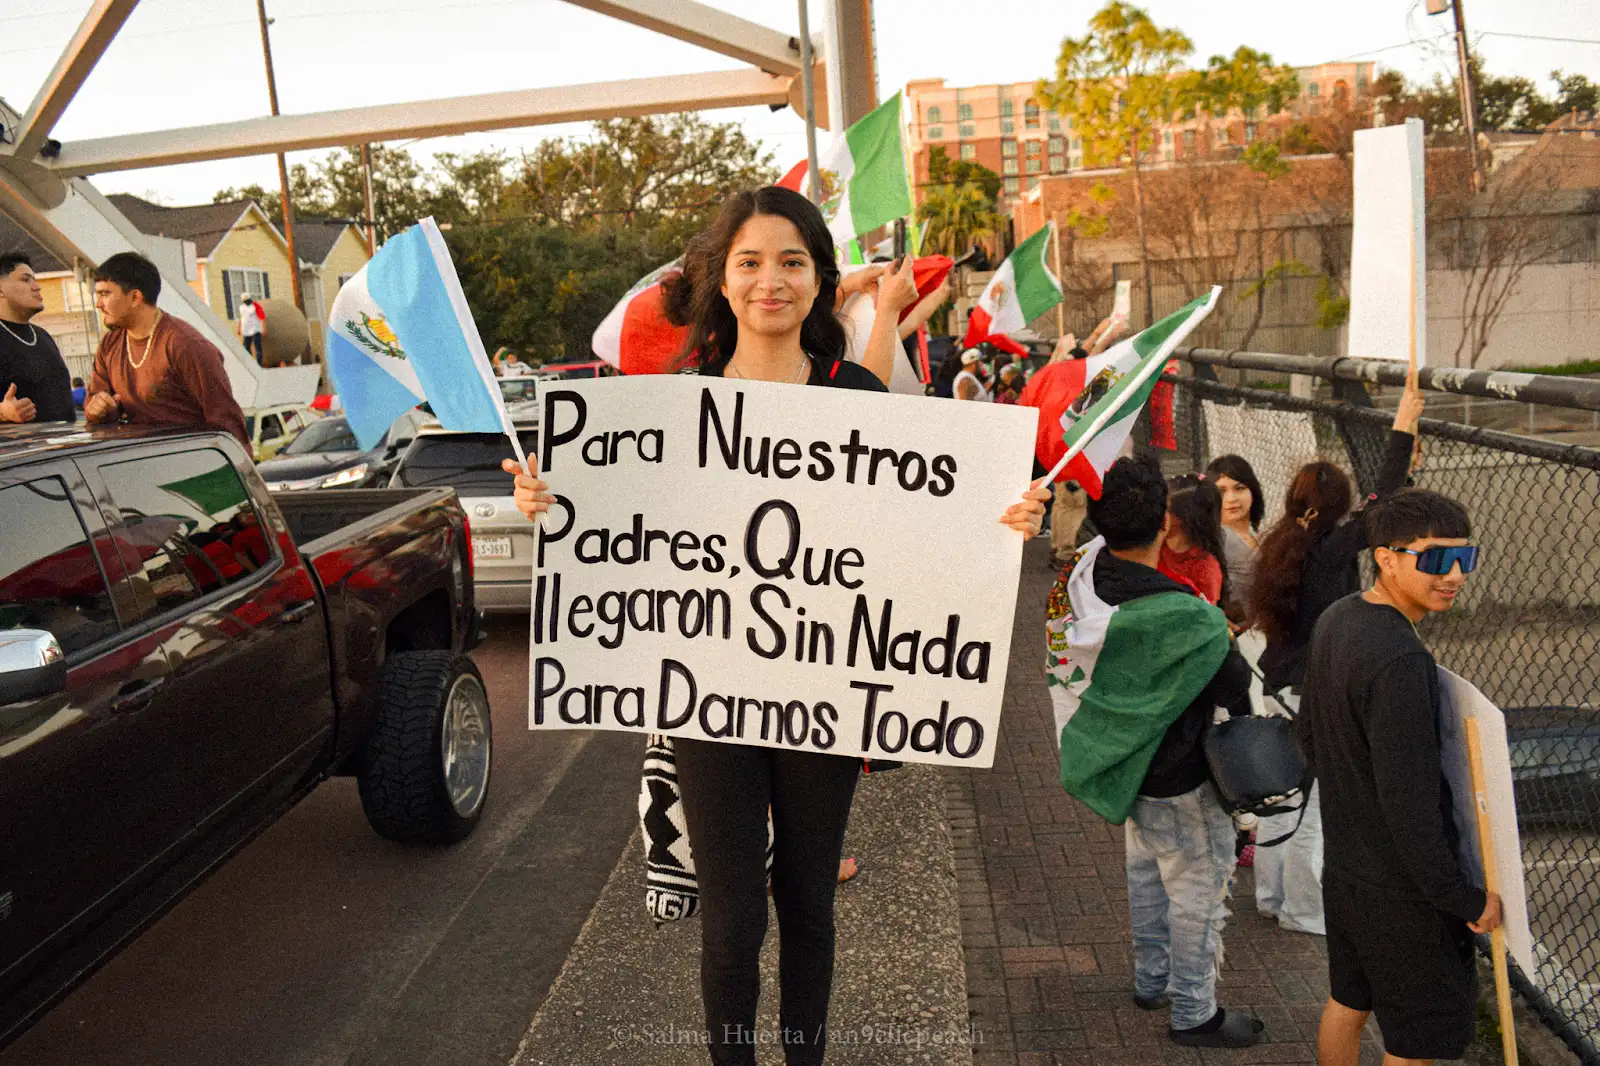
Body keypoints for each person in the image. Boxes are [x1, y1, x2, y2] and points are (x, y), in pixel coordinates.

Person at [504, 185, 1047, 1066]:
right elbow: (613, 528)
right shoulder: (670, 407)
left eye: (792, 262)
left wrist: (1003, 521)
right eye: (750, 262)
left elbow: (916, 531)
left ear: (821, 280)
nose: (771, 281)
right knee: (731, 920)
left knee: (808, 904)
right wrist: (548, 502)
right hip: (706, 703)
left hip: (820, 698)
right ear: (720, 280)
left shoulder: (859, 396)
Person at [1049, 457, 1262, 1049]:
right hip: (1181, 774)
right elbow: (1232, 686)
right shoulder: (1188, 615)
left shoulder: (1076, 584)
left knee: (1144, 871)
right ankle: (1194, 1012)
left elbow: (1067, 669)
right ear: (1165, 526)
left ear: (1095, 518)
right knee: (1196, 892)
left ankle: (1152, 980)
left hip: (1121, 765)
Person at [1303, 489, 1499, 1066]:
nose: (1455, 575)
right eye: (1436, 560)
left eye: (1466, 558)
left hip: (1347, 870)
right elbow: (1411, 804)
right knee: (1414, 1046)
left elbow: (1310, 736)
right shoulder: (1400, 660)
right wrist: (1460, 897)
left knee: (1348, 1003)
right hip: (1404, 895)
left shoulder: (1340, 616)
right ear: (1386, 557)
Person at [1246, 368, 1424, 936]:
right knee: (1313, 812)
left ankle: (1272, 898)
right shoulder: (1341, 543)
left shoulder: (1280, 542)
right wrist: (1402, 427)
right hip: (1312, 689)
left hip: (1276, 684)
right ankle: (1301, 909)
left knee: (1280, 798)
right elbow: (1387, 495)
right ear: (1342, 503)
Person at [85, 252, 249, 448]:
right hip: (135, 464)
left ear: (135, 297)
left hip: (189, 464)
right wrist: (97, 409)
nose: (98, 304)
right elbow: (93, 405)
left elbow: (228, 424)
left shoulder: (186, 345)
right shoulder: (110, 345)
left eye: (105, 294)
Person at [1016, 317, 1126, 565]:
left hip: (1050, 451)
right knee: (1074, 504)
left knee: (1062, 503)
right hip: (1068, 450)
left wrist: (1101, 332)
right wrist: (1106, 336)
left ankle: (1058, 546)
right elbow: (1092, 362)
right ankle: (1065, 552)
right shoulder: (1078, 388)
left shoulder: (1051, 376)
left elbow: (1083, 354)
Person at [0, 252, 75, 424]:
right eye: (26, 280)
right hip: (19, 449)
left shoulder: (42, 336)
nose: (36, 287)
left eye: (34, 279)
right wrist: (3, 412)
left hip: (65, 446)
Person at [1204, 454, 1264, 622]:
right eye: (1221, 491)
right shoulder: (1215, 538)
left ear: (1252, 490)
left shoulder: (1258, 536)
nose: (1231, 499)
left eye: (1239, 488)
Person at [1158, 475, 1227, 606]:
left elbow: (1206, 618)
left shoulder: (1205, 568)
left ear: (1182, 518)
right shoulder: (1154, 548)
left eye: (1163, 509)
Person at [237, 295, 265, 363]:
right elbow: (241, 318)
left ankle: (259, 364)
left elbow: (262, 317)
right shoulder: (242, 307)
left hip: (256, 329)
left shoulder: (255, 306)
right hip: (246, 330)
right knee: (246, 347)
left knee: (257, 347)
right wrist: (238, 328)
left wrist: (264, 328)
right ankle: (250, 363)